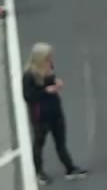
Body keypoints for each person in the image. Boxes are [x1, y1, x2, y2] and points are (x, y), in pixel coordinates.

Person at [22, 42, 89, 183]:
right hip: (40, 115)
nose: (51, 60)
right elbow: (28, 96)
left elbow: (50, 81)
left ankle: (70, 168)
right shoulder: (29, 75)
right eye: (48, 57)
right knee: (39, 144)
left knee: (61, 141)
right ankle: (39, 172)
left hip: (55, 110)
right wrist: (46, 91)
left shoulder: (48, 67)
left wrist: (56, 82)